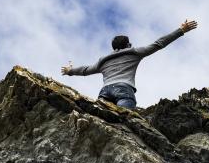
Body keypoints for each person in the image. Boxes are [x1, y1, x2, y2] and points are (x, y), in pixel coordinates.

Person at [61, 19, 198, 109]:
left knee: (101, 116)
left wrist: (70, 71)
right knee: (125, 118)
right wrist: (181, 30)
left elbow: (85, 70)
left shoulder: (103, 60)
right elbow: (158, 43)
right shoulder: (133, 52)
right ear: (127, 44)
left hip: (105, 90)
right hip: (123, 89)